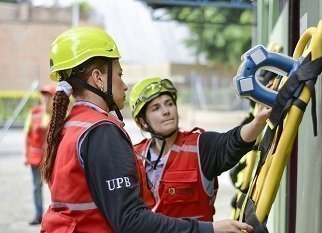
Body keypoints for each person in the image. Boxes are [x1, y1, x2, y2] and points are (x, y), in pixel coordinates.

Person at [40, 26, 253, 233]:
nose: (124, 85)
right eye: (120, 75)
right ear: (99, 78)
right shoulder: (101, 132)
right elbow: (130, 221)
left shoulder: (70, 127)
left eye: (169, 104)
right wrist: (210, 229)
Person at [129, 77, 271, 222]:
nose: (166, 111)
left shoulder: (201, 146)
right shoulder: (133, 156)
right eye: (156, 108)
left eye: (169, 104)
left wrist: (257, 122)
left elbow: (233, 141)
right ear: (142, 122)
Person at [24, 85, 55, 225]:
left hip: (51, 159)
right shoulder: (34, 113)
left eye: (48, 96)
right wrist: (26, 155)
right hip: (36, 159)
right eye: (44, 96)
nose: (45, 99)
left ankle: (54, 214)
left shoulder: (57, 114)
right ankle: (38, 215)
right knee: (37, 187)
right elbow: (27, 135)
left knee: (54, 187)